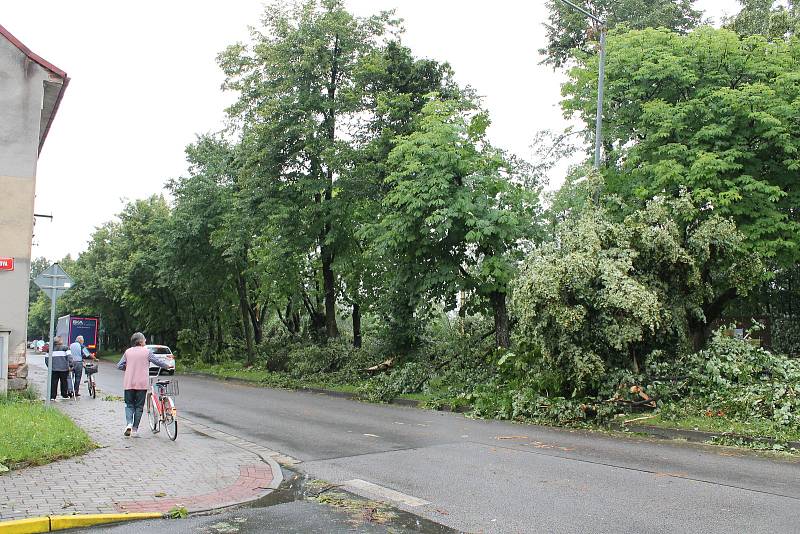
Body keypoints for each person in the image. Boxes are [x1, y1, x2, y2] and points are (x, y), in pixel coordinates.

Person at [117, 332, 173, 437]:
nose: (145, 341)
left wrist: (128, 368)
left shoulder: (127, 352)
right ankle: (134, 429)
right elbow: (157, 361)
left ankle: (128, 424)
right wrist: (167, 366)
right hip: (142, 384)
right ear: (140, 341)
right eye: (144, 340)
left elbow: (119, 365)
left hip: (129, 383)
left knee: (129, 405)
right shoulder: (147, 352)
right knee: (139, 407)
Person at [46, 336, 72, 401]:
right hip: (64, 369)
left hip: (54, 369)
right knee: (64, 382)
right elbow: (70, 357)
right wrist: (71, 365)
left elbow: (46, 359)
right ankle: (64, 395)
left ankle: (52, 396)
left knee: (54, 382)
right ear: (60, 341)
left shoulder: (50, 349)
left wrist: (49, 367)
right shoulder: (66, 348)